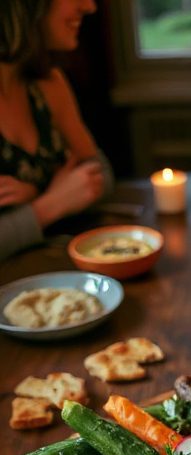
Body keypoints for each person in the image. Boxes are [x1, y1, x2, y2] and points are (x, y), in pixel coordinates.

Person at [0, 0, 113, 261]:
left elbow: (100, 174)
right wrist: (50, 205)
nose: (89, 6)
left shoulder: (47, 82)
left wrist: (35, 195)